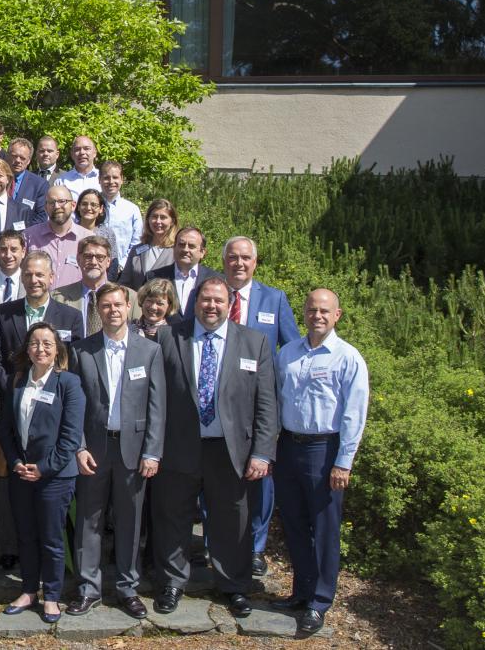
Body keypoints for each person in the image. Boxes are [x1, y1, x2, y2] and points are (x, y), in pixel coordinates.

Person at [151, 276, 278, 619]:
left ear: (230, 305)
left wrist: (263, 452)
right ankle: (172, 583)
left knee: (232, 520)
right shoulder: (168, 337)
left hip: (231, 450)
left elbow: (266, 404)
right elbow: (155, 398)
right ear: (194, 303)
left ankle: (234, 585)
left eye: (218, 300)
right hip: (179, 446)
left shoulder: (255, 343)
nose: (211, 306)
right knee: (172, 516)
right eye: (205, 299)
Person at [65, 284, 166, 620]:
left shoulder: (149, 351)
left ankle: (127, 587)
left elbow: (157, 407)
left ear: (129, 308)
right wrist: (78, 447)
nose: (112, 311)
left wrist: (152, 452)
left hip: (134, 451)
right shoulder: (82, 351)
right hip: (93, 449)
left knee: (130, 522)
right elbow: (73, 406)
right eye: (105, 305)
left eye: (118, 305)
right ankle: (88, 588)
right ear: (98, 309)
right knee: (89, 521)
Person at [272, 289, 369, 636]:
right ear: (304, 312)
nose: (317, 316)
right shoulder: (288, 353)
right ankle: (301, 592)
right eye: (312, 309)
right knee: (295, 523)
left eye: (325, 311)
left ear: (337, 315)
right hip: (288, 447)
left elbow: (354, 414)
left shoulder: (347, 357)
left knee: (325, 528)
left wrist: (344, 462)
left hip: (324, 451)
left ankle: (320, 600)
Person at [221, 235, 302, 577]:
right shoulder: (211, 294)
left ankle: (255, 547)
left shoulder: (275, 299)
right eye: (233, 258)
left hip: (259, 407)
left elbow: (294, 348)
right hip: (219, 404)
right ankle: (218, 544)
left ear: (255, 263)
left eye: (245, 258)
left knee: (261, 479)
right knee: (218, 478)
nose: (238, 263)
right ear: (223, 262)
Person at [0, 322, 84, 623]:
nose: (41, 349)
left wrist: (44, 469)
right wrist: (14, 462)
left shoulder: (68, 383)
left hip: (55, 477)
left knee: (51, 538)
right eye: (35, 343)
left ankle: (53, 596)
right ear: (27, 348)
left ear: (57, 349)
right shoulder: (17, 380)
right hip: (20, 473)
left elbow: (71, 437)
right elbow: (5, 428)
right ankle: (28, 589)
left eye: (47, 343)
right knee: (26, 535)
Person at [0, 251, 85, 395]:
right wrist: (12, 387)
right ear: (21, 278)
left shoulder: (71, 317)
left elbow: (74, 364)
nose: (33, 280)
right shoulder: (2, 314)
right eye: (28, 274)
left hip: (55, 400)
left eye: (39, 275)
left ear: (51, 277)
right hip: (12, 400)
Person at [51, 237, 141, 336]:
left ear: (108, 262)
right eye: (88, 256)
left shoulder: (131, 297)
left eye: (100, 257)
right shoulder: (57, 297)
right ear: (78, 259)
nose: (93, 262)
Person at [24, 185, 92, 290]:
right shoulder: (29, 236)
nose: (56, 206)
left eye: (62, 201)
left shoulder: (88, 238)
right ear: (46, 207)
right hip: (39, 302)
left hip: (74, 303)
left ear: (73, 205)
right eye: (51, 202)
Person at [148, 226, 221, 317]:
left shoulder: (216, 279)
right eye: (181, 245)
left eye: (191, 246)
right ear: (174, 248)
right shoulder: (153, 277)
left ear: (202, 252)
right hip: (162, 330)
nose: (186, 249)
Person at [121, 199, 179, 289]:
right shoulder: (137, 250)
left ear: (172, 221)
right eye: (154, 217)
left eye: (163, 217)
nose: (158, 221)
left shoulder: (177, 251)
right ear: (148, 219)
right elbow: (124, 283)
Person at [97, 162, 142, 266]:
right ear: (99, 180)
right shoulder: (91, 207)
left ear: (122, 179)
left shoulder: (132, 210)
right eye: (106, 178)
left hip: (123, 269)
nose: (111, 181)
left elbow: (137, 242)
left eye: (115, 177)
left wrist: (121, 265)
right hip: (94, 266)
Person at [73, 189, 120, 275]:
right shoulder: (71, 231)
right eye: (84, 204)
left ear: (101, 209)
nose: (88, 208)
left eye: (94, 205)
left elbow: (113, 264)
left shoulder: (107, 233)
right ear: (78, 207)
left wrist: (106, 286)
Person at [3, 138, 50, 220]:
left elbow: (41, 218)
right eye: (14, 156)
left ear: (28, 161)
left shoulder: (39, 185)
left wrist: (22, 231)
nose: (18, 160)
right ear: (7, 156)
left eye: (22, 158)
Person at [54, 136, 101, 203]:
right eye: (77, 149)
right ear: (72, 154)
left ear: (95, 153)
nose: (82, 152)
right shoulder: (61, 181)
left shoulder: (103, 178)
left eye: (86, 149)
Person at [0, 231, 27, 303]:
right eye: (3, 249)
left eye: (13, 250)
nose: (8, 255)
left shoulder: (31, 283)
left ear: (23, 252)